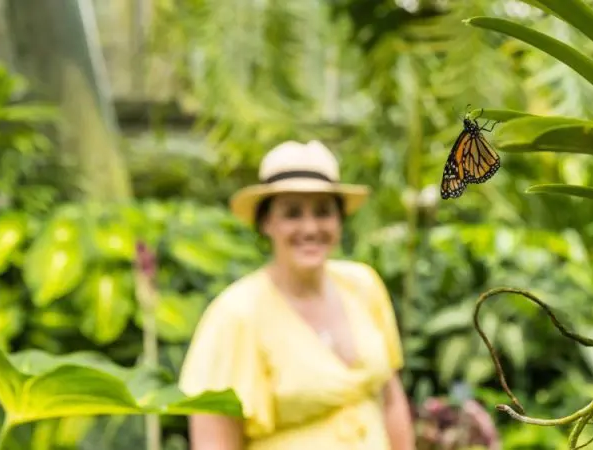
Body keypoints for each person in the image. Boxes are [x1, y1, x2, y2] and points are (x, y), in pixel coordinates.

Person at [178, 140, 416, 450]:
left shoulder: (363, 285)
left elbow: (390, 399)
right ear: (266, 222)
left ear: (340, 220)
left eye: (323, 212)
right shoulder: (236, 313)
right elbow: (214, 440)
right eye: (292, 213)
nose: (310, 227)